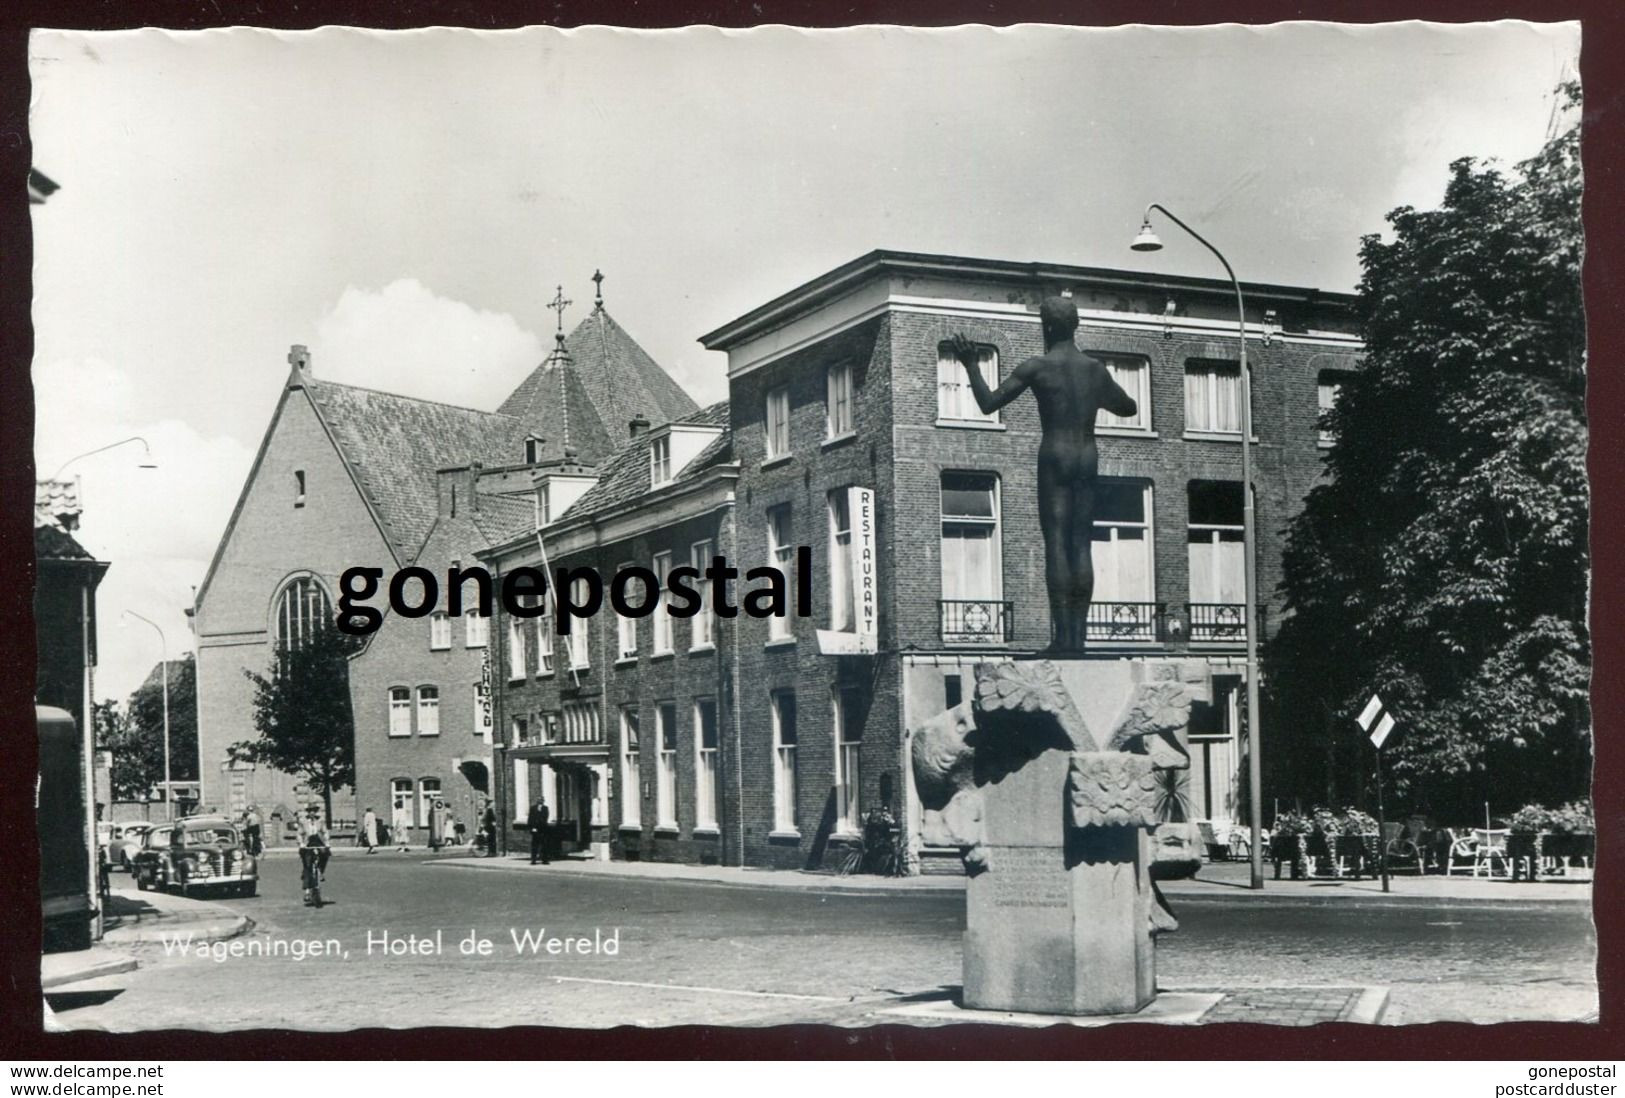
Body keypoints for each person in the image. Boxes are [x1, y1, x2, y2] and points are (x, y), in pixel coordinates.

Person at [949, 298, 1137, 655]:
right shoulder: (1095, 369)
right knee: (1081, 544)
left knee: (1056, 544)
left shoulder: (1036, 367)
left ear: (1046, 326)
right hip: (1086, 456)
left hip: (1054, 456)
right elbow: (1129, 407)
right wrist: (1094, 396)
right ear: (1077, 324)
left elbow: (988, 403)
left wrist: (972, 364)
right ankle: (1079, 641)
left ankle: (1062, 640)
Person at [297, 804, 331, 906]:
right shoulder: (303, 821)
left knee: (326, 853)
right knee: (307, 865)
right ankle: (307, 891)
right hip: (307, 844)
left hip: (318, 842)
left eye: (314, 811)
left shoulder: (320, 820)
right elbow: (299, 834)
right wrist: (301, 843)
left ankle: (320, 870)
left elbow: (325, 832)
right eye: (310, 811)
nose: (312, 813)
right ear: (308, 812)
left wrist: (327, 841)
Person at [528, 797, 551, 865]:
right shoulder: (533, 808)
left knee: (544, 845)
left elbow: (545, 817)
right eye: (538, 800)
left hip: (543, 830)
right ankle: (533, 860)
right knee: (534, 845)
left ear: (543, 801)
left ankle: (545, 860)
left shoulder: (545, 808)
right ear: (537, 801)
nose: (540, 801)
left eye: (541, 800)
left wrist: (542, 824)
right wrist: (532, 827)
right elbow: (530, 818)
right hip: (535, 830)